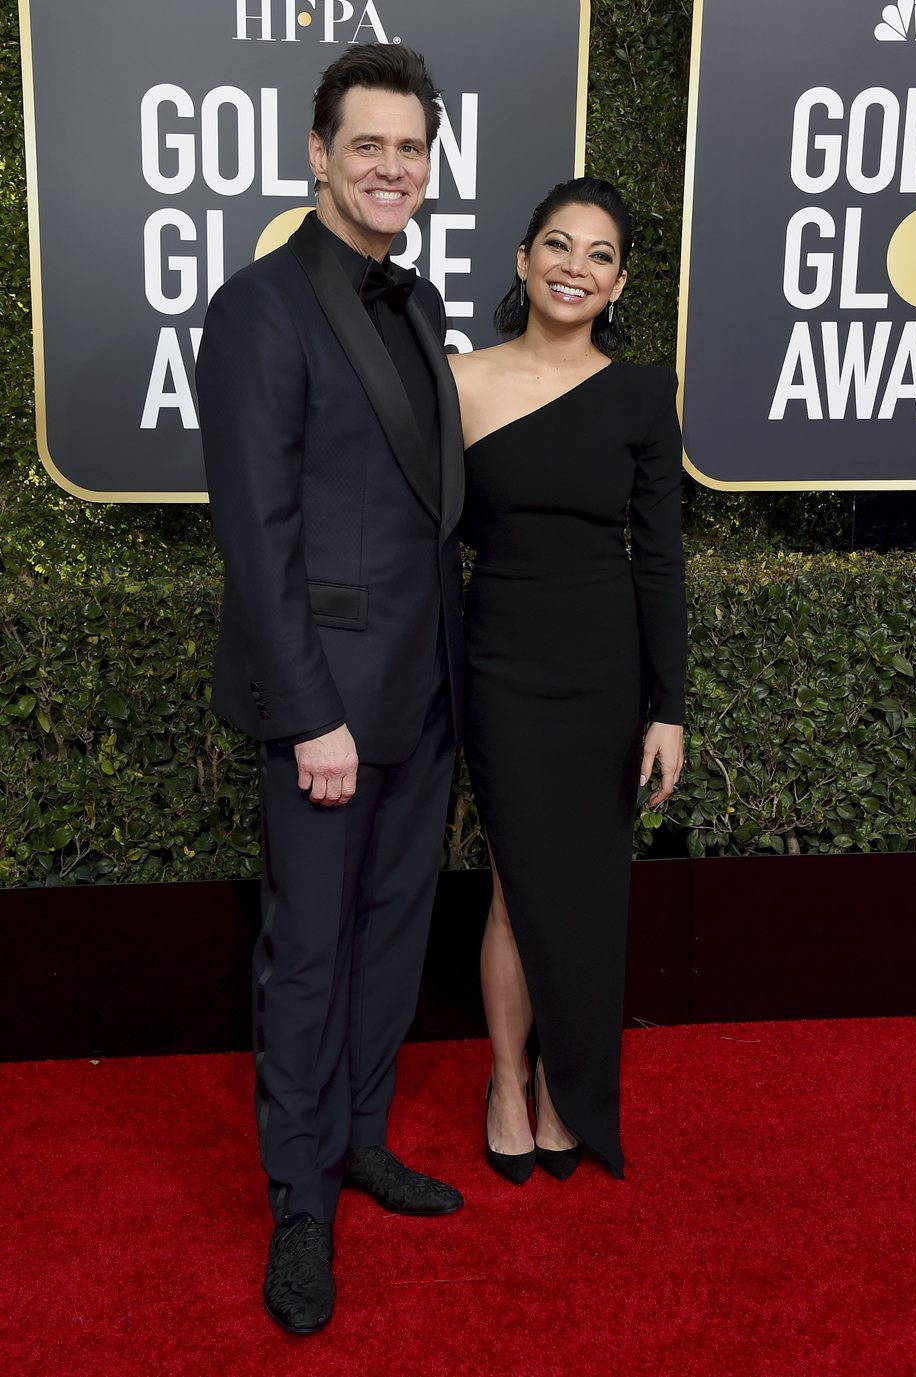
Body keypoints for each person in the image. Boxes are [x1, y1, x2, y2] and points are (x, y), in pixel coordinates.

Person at [196, 45, 465, 1335]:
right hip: (330, 712)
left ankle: (358, 1137)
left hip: (426, 696)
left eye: (410, 149)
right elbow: (259, 534)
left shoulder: (417, 307)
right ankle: (298, 1202)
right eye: (368, 145)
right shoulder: (260, 308)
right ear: (317, 154)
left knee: (392, 937)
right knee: (306, 955)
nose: (391, 168)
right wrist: (312, 714)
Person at [448, 177, 686, 1185]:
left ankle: (565, 1088)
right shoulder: (457, 380)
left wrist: (668, 708)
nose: (574, 267)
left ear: (619, 280)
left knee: (584, 895)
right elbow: (422, 538)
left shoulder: (639, 393)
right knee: (515, 890)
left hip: (602, 671)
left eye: (598, 255)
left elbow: (660, 558)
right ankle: (509, 1081)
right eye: (557, 244)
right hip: (498, 659)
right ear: (522, 259)